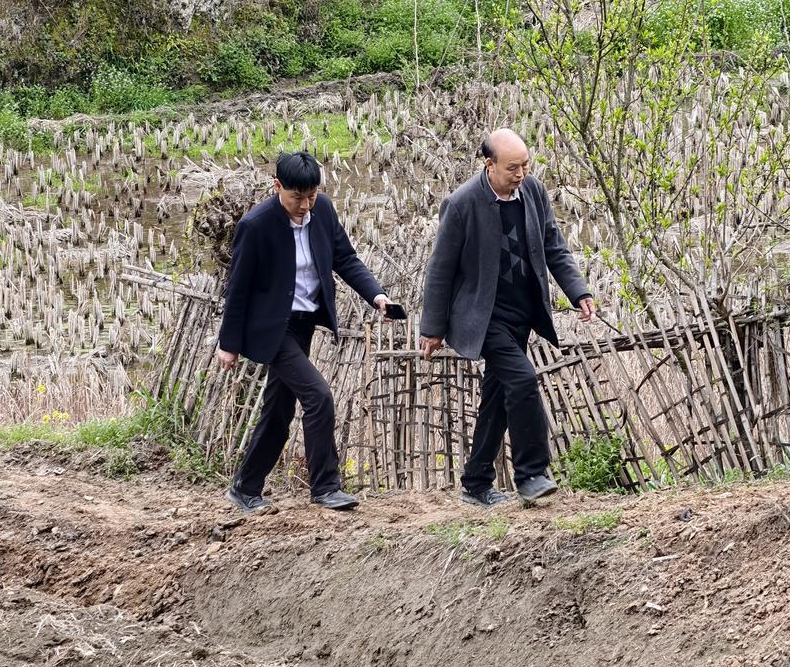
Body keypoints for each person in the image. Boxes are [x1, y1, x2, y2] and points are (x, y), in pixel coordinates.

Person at [419, 129, 598, 506]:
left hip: (521, 312)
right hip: (482, 318)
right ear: (489, 164)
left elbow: (553, 244)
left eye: (525, 165)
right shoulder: (462, 203)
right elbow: (440, 269)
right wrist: (432, 328)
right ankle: (531, 473)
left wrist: (578, 291)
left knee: (498, 395)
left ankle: (475, 483)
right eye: (512, 167)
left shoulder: (532, 192)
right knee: (523, 379)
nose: (520, 174)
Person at [216, 151, 396, 514]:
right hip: (270, 329)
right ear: (277, 186)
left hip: (303, 324)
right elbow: (238, 288)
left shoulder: (323, 211)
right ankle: (326, 487)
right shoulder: (256, 225)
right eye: (297, 196)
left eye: (311, 195)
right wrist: (228, 343)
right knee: (318, 396)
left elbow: (345, 258)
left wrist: (376, 295)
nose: (305, 204)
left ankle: (245, 487)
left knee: (279, 410)